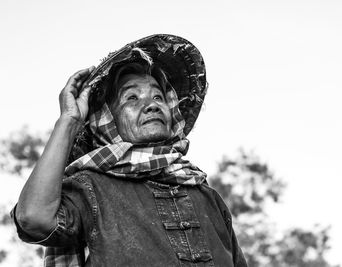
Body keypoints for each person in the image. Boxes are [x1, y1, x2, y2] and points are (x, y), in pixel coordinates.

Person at [11, 34, 247, 267]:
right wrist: (69, 121)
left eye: (158, 96)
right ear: (108, 119)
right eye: (132, 98)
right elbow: (33, 218)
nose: (152, 105)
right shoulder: (90, 187)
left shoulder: (207, 197)